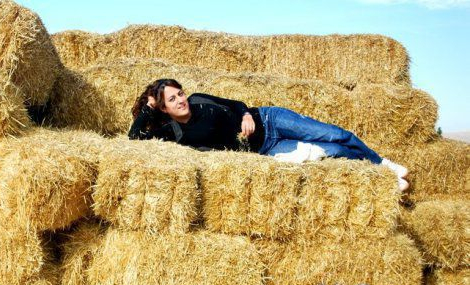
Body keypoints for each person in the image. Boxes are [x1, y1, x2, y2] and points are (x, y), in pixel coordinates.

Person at [128, 79, 410, 191]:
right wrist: (149, 108)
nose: (181, 100)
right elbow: (135, 141)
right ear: (164, 108)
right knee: (331, 152)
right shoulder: (174, 134)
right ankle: (385, 179)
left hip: (270, 119)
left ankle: (382, 163)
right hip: (265, 150)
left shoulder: (201, 99)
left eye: (180, 93)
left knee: (335, 134)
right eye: (172, 99)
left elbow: (237, 105)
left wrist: (248, 115)